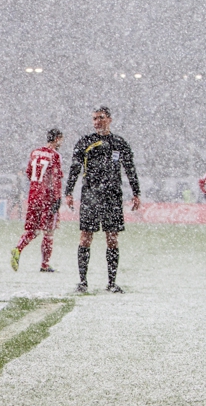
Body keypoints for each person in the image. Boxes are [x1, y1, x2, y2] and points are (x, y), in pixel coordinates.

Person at [64, 107, 141, 293]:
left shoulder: (119, 143)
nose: (97, 121)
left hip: (112, 196)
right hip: (91, 195)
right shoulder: (85, 142)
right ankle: (82, 282)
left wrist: (136, 192)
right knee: (85, 238)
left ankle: (112, 283)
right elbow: (74, 168)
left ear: (110, 120)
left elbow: (130, 168)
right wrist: (68, 192)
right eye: (94, 118)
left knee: (112, 239)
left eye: (101, 118)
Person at [11, 128, 64, 272]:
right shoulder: (55, 156)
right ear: (57, 138)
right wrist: (57, 198)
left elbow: (28, 173)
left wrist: (37, 186)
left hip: (33, 196)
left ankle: (18, 248)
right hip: (47, 197)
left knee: (32, 230)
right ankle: (45, 265)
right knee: (48, 232)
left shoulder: (35, 153)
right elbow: (55, 179)